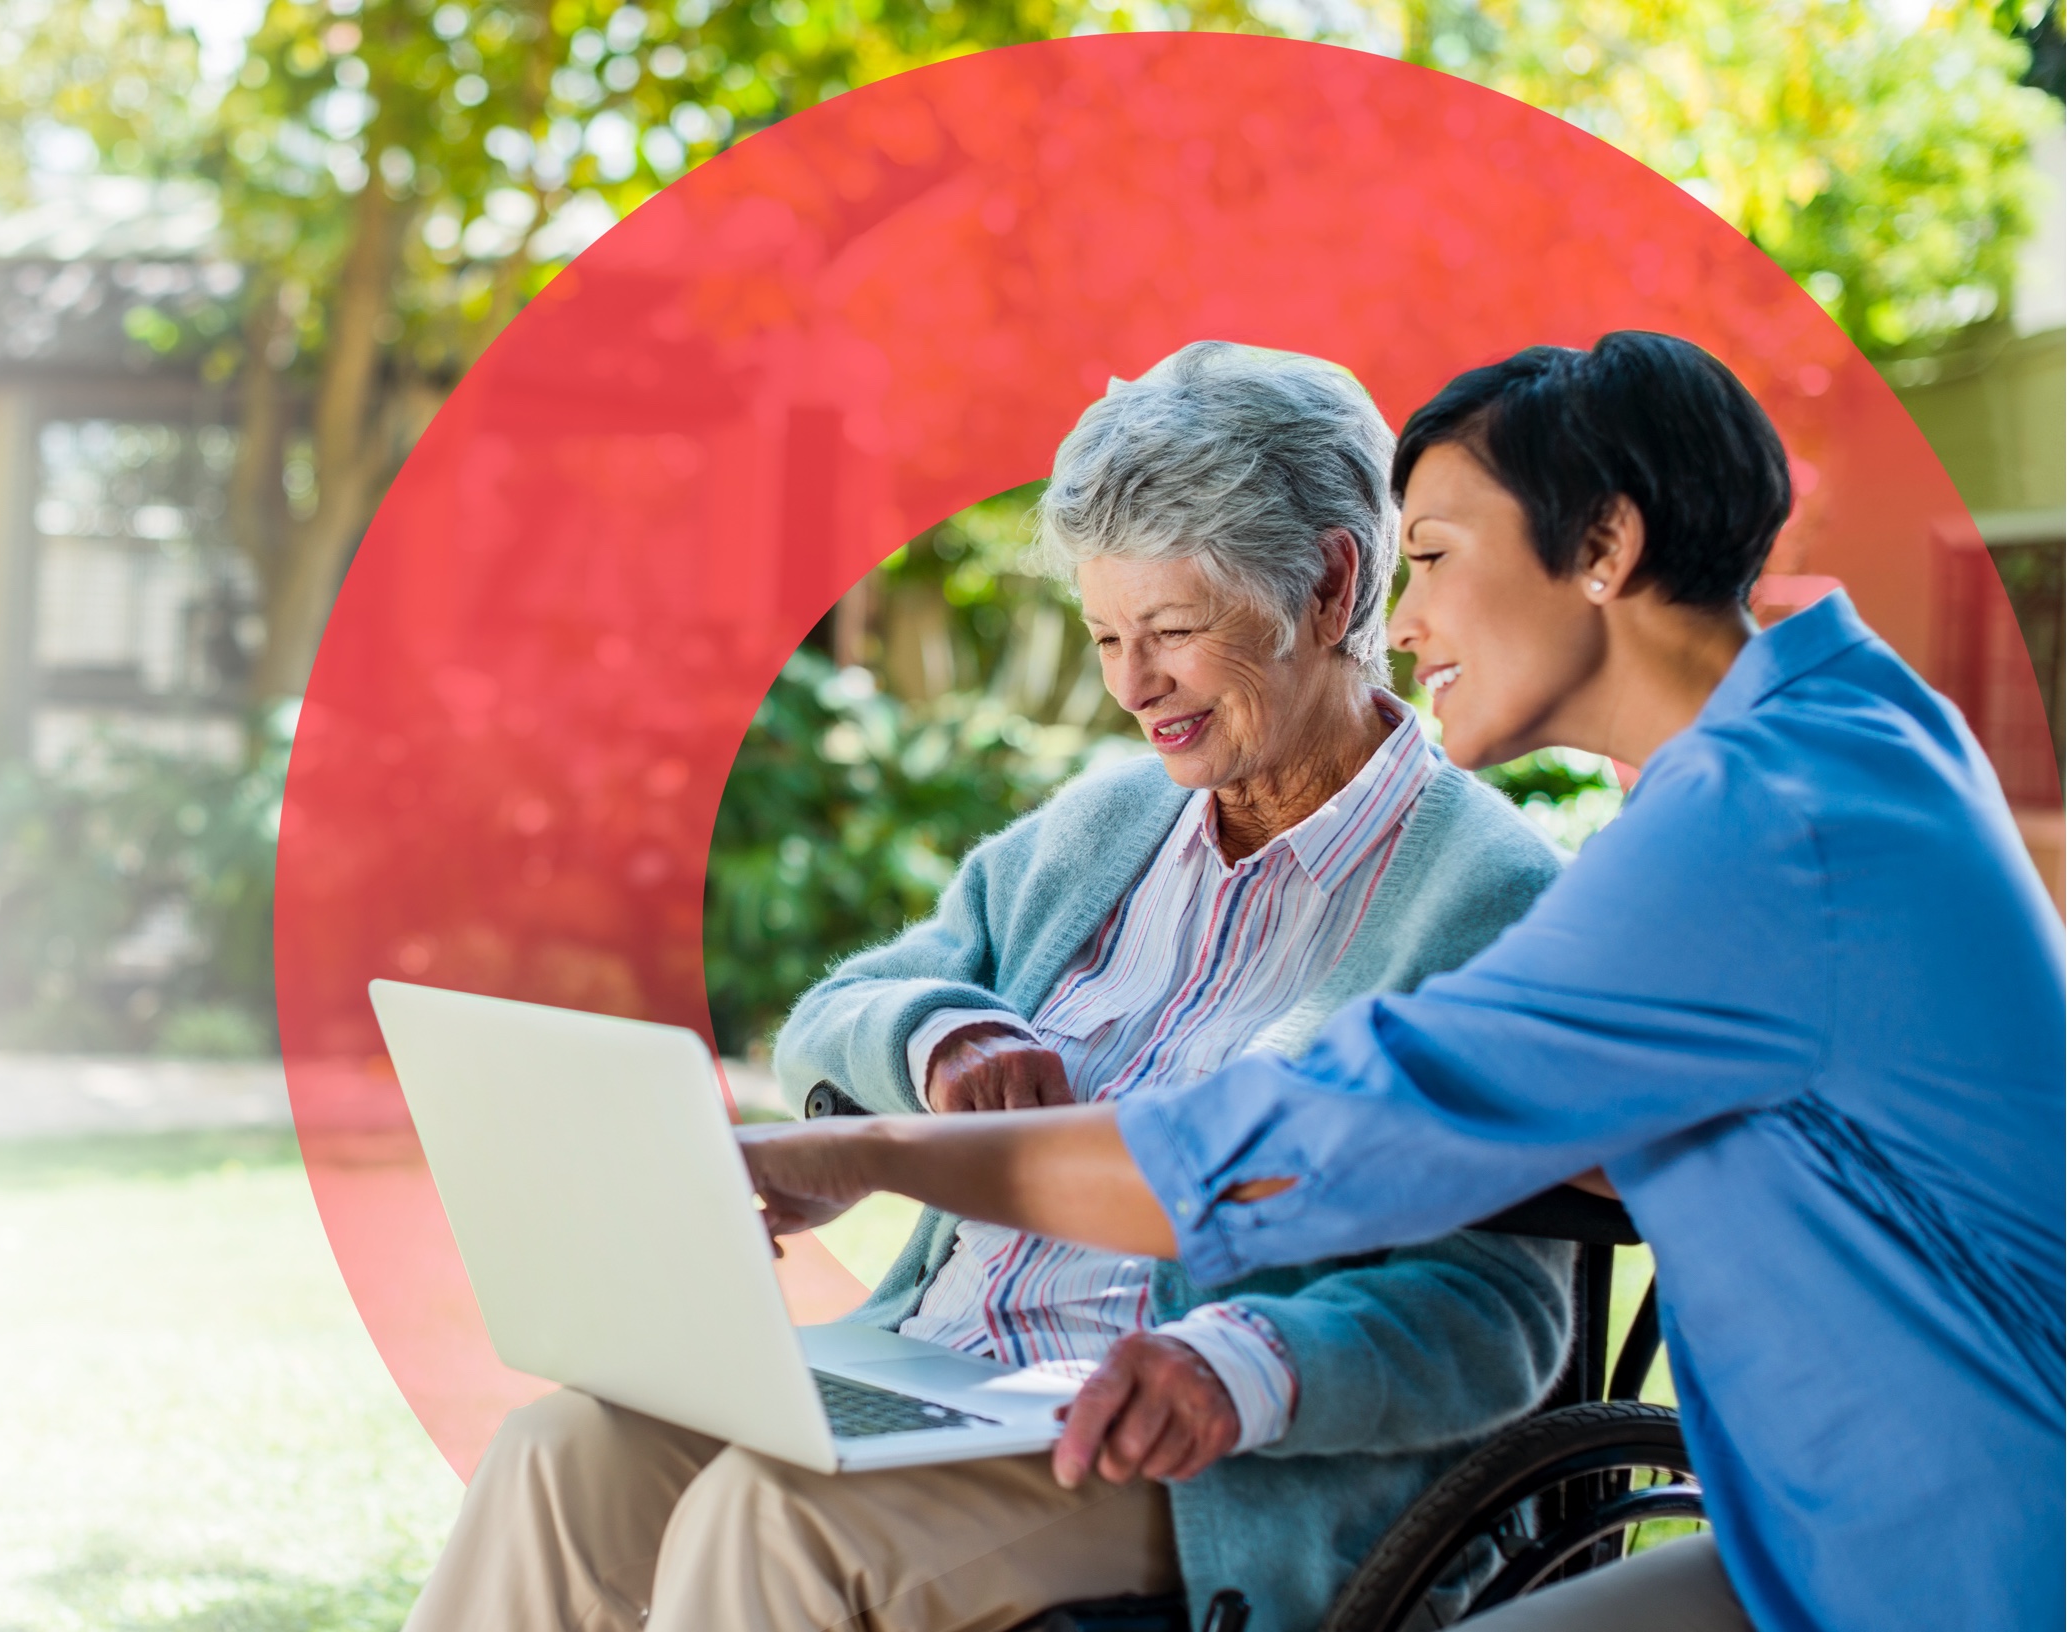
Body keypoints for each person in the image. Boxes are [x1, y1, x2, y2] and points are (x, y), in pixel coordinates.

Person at [737, 331, 2067, 1632]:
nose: (1404, 615)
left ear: (1603, 546)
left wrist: (872, 1153)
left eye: (1429, 556)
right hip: (1805, 1544)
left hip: (1962, 1564)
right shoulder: (1848, 729)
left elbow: (1299, 1148)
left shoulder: (1752, 832)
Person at [405, 342, 1576, 1632]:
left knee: (773, 1525)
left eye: (1175, 632)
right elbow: (842, 1017)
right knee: (557, 1459)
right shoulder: (1103, 829)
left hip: (1186, 1457)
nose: (1133, 688)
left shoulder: (1486, 899)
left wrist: (1228, 1362)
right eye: (1106, 636)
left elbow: (1496, 1314)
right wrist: (939, 1035)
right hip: (938, 1375)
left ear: (1330, 584)